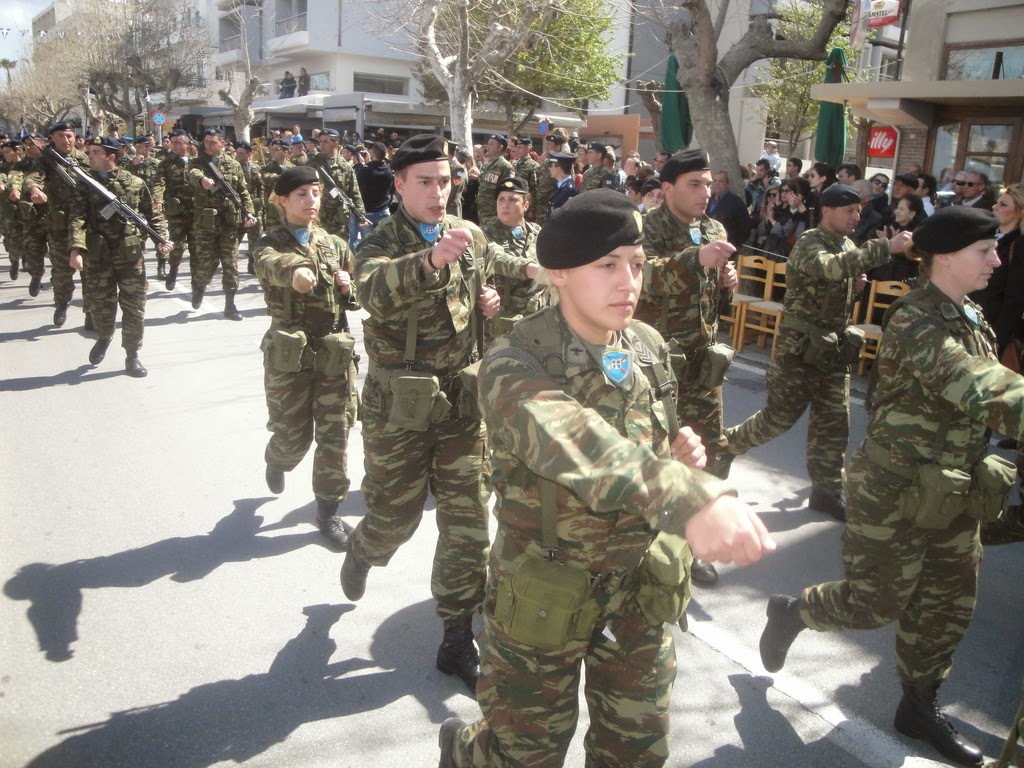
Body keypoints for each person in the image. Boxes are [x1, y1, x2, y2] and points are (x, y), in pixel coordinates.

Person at [438, 190, 775, 768]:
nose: (629, 282)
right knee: (523, 757)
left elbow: (639, 442)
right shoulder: (513, 364)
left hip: (639, 588)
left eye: (637, 265)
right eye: (607, 265)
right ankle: (466, 751)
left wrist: (675, 456)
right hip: (546, 589)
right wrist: (689, 495)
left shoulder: (646, 347)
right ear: (560, 274)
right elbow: (575, 440)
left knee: (637, 753)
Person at [759, 206, 1024, 768]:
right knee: (874, 604)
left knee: (947, 608)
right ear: (947, 257)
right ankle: (794, 612)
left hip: (954, 488)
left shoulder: (970, 314)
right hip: (897, 490)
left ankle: (919, 705)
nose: (997, 259)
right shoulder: (915, 319)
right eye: (986, 250)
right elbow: (979, 384)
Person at [339, 135, 531, 693]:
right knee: (396, 519)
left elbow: (503, 264)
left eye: (445, 181)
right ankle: (363, 549)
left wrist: (534, 280)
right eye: (424, 181)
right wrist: (429, 260)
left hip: (462, 408)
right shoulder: (378, 241)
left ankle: (455, 638)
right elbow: (372, 291)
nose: (437, 191)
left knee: (468, 524)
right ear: (398, 184)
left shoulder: (467, 234)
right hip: (399, 409)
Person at [720, 185, 913, 519]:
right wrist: (885, 247)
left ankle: (826, 491)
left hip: (834, 350)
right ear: (827, 211)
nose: (856, 217)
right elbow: (829, 268)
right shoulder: (811, 242)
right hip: (799, 351)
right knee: (778, 419)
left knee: (835, 423)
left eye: (858, 211)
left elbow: (836, 285)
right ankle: (726, 446)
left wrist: (855, 289)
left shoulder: (847, 245)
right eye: (849, 211)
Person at [636, 148, 739, 587]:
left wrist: (729, 284)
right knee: (657, 452)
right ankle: (645, 543)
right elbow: (641, 277)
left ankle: (692, 542)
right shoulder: (646, 228)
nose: (705, 192)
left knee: (710, 452)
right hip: (657, 366)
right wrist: (694, 260)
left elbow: (713, 300)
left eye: (708, 183)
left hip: (702, 362)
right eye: (694, 184)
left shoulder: (713, 228)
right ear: (666, 189)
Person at [253, 166, 359, 550]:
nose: (311, 200)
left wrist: (350, 287)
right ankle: (278, 458)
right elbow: (268, 264)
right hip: (290, 358)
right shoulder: (269, 241)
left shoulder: (335, 243)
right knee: (293, 437)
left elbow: (356, 287)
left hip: (333, 355)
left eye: (315, 192)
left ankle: (328, 511)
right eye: (301, 194)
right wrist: (295, 270)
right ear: (282, 200)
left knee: (336, 436)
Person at [68, 136, 171, 378]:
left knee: (134, 308)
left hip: (130, 256)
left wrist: (161, 241)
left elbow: (152, 214)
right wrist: (76, 249)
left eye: (94, 152)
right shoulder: (85, 184)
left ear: (110, 157)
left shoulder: (135, 183)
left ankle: (132, 354)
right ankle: (105, 335)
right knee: (101, 308)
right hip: (98, 256)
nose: (89, 156)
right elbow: (77, 218)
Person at [22, 123, 89, 328]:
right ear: (52, 138)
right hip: (60, 226)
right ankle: (61, 303)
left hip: (87, 224)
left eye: (69, 135)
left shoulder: (85, 158)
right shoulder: (46, 160)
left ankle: (91, 312)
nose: (66, 140)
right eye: (61, 136)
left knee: (91, 272)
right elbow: (32, 179)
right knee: (61, 272)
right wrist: (34, 189)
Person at [186, 127, 257, 319]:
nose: (208, 145)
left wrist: (248, 213)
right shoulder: (198, 162)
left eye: (213, 142)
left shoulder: (233, 165)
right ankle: (200, 285)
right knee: (207, 265)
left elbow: (243, 192)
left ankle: (230, 304)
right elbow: (191, 174)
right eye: (206, 142)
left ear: (222, 143)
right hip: (206, 225)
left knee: (230, 264)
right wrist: (202, 180)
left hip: (229, 224)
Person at [480, 175, 544, 337]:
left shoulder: (537, 232)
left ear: (526, 205)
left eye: (512, 200)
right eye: (501, 200)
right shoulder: (486, 233)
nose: (505, 205)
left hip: (538, 318)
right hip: (503, 323)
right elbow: (497, 259)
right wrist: (530, 269)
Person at [977, 183, 1024, 357]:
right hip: (974, 316)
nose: (994, 207)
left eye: (1003, 204)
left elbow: (1015, 298)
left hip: (993, 326)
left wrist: (998, 340)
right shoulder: (986, 235)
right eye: (997, 202)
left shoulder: (1019, 245)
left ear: (1019, 212)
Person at [310, 128, 367, 250]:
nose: (322, 145)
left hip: (339, 221)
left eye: (325, 141)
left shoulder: (345, 166)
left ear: (335, 143)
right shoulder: (313, 162)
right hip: (317, 218)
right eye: (320, 141)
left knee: (339, 252)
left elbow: (355, 192)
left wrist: (360, 215)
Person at [155, 129, 197, 291]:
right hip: (176, 212)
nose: (175, 145)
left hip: (196, 212)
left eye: (178, 142)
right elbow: (159, 182)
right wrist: (158, 199)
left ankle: (195, 281)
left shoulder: (197, 162)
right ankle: (173, 268)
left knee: (196, 248)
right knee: (177, 245)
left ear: (187, 143)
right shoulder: (166, 163)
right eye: (173, 142)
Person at [126, 135, 166, 277]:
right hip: (136, 208)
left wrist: (159, 200)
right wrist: (133, 165)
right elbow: (123, 181)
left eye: (143, 147)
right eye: (138, 147)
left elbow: (160, 184)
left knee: (160, 236)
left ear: (148, 147)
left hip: (154, 206)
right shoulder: (129, 164)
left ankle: (162, 266)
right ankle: (138, 266)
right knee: (138, 238)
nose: (140, 150)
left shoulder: (158, 164)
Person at [234, 141, 264, 274]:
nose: (239, 155)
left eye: (242, 153)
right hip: (237, 207)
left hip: (253, 207)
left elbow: (261, 188)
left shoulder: (256, 168)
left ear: (249, 154)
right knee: (235, 237)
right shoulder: (233, 167)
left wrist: (261, 204)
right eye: (238, 153)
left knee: (255, 236)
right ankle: (230, 261)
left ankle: (252, 262)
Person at [476, 134, 514, 227]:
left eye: (491, 144)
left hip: (494, 214)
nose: (487, 147)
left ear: (500, 147)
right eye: (488, 144)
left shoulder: (505, 167)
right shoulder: (486, 165)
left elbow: (508, 191)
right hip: (482, 211)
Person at [708, 170, 752, 249]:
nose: (717, 184)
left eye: (721, 181)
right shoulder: (707, 200)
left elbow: (745, 229)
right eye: (714, 181)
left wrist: (730, 245)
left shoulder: (736, 202)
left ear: (727, 183)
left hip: (725, 248)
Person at [356, 141, 394, 231]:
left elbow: (357, 185)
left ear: (372, 153)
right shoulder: (388, 171)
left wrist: (362, 164)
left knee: (367, 243)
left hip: (369, 213)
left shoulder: (364, 171)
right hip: (384, 211)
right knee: (384, 241)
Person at [511, 136, 541, 220]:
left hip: (525, 205)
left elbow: (534, 189)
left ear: (528, 148)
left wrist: (532, 209)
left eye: (520, 147)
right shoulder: (514, 164)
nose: (517, 150)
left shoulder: (533, 166)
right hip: (513, 202)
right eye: (517, 147)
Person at [546, 151, 578, 216]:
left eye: (551, 166)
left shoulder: (570, 190)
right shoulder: (561, 186)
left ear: (559, 168)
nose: (549, 168)